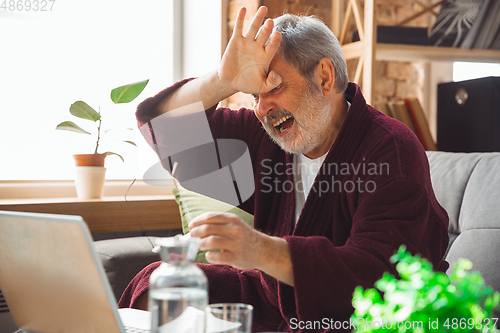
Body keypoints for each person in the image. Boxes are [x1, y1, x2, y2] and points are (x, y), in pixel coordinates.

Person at [119, 6, 449, 332]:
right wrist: (223, 81)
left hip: (345, 317)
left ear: (324, 76)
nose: (262, 108)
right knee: (157, 282)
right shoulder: (264, 138)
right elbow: (165, 129)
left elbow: (378, 277)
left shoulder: (390, 149)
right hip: (273, 302)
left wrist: (261, 250)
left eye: (274, 87)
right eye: (253, 94)